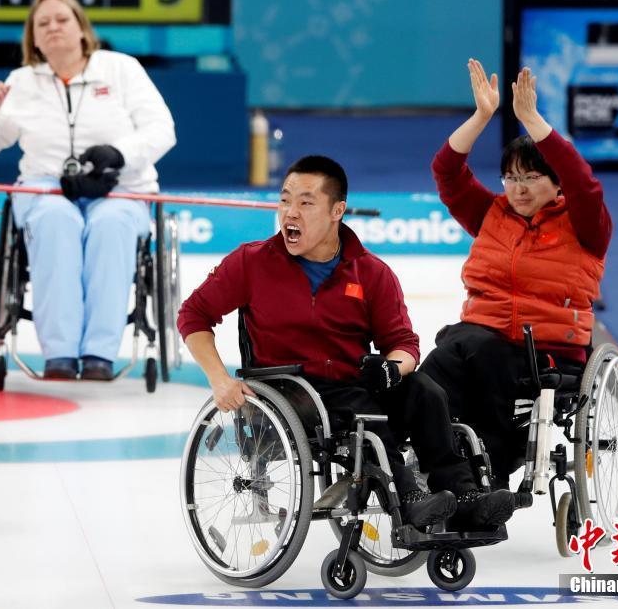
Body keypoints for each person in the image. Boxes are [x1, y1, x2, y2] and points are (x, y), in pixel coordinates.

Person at [177, 155, 514, 532]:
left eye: (305, 202)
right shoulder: (251, 262)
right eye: (285, 200)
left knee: (425, 391)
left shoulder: (371, 272)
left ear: (337, 211)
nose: (290, 212)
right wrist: (219, 379)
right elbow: (193, 315)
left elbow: (403, 343)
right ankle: (408, 498)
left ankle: (465, 497)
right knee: (361, 412)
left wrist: (392, 368)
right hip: (290, 390)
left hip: (353, 383)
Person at [419, 59, 612, 495]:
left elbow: (584, 183)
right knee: (433, 373)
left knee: (481, 355)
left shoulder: (585, 223)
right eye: (509, 177)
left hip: (546, 348)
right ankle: (433, 474)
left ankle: (490, 478)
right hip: (478, 337)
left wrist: (531, 120)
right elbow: (446, 172)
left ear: (556, 183)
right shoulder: (491, 212)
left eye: (530, 177)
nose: (517, 188)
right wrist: (481, 116)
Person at [0, 0, 176, 380]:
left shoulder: (122, 69)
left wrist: (119, 153)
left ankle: (99, 353)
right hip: (45, 188)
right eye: (42, 23)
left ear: (81, 28)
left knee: (110, 225)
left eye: (62, 19)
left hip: (119, 187)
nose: (53, 28)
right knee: (56, 221)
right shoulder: (21, 82)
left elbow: (162, 129)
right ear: (33, 38)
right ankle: (59, 353)